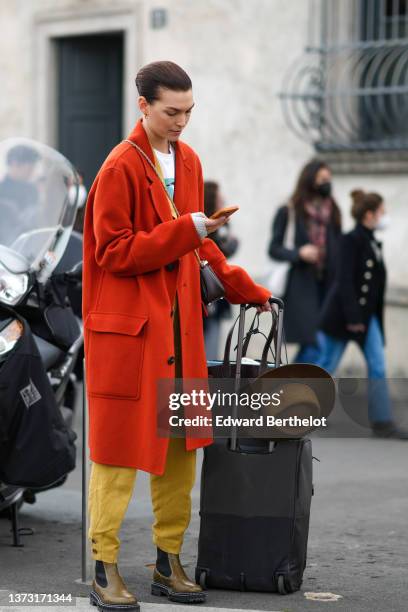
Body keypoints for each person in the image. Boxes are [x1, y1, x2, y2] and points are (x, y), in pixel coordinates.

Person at [82, 60, 271, 611]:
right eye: (172, 111)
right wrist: (184, 230)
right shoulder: (118, 166)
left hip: (181, 332)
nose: (182, 121)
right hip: (129, 334)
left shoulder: (188, 161)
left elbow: (198, 243)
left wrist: (243, 286)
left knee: (183, 449)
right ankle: (103, 566)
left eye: (189, 111)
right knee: (115, 455)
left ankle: (168, 562)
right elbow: (112, 252)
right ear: (143, 106)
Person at [318, 189, 408, 440]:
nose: (385, 215)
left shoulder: (371, 240)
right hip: (344, 317)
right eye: (382, 211)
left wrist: (365, 319)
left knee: (378, 365)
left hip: (368, 319)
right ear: (369, 215)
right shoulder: (351, 240)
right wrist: (353, 318)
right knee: (326, 366)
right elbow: (344, 281)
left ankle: (382, 422)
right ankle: (299, 413)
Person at [268, 158, 341, 363]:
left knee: (317, 346)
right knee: (315, 345)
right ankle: (290, 389)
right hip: (301, 287)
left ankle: (295, 390)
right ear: (310, 180)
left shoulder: (332, 209)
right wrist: (299, 253)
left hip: (327, 286)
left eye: (329, 179)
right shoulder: (290, 210)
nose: (327, 183)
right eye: (322, 179)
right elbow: (274, 248)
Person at [203, 180, 239, 359]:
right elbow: (215, 257)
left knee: (212, 350)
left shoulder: (222, 227)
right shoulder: (204, 230)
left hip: (216, 299)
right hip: (205, 298)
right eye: (218, 197)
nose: (223, 199)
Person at [0, 144, 40, 245]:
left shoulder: (32, 190)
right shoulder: (2, 190)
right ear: (14, 163)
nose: (32, 169)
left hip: (29, 247)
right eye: (29, 164)